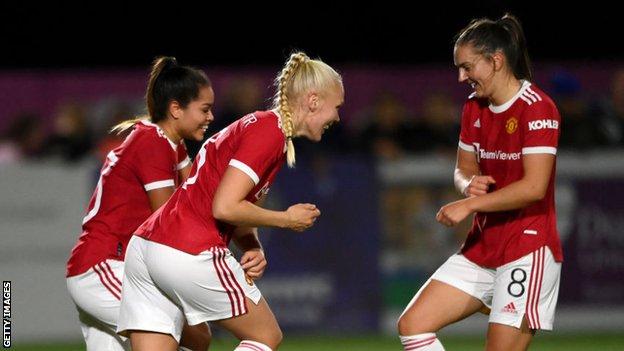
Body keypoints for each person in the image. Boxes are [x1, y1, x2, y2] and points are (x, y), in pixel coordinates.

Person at [115, 51, 343, 351]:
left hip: (146, 248)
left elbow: (225, 202)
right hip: (188, 248)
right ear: (313, 101)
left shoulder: (259, 127)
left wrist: (252, 245)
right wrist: (286, 219)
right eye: (336, 106)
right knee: (265, 337)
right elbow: (224, 207)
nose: (337, 117)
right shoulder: (269, 133)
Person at [398, 14, 563, 351]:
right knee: (413, 325)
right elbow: (463, 169)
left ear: (496, 61)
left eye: (467, 67)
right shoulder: (474, 108)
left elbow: (534, 188)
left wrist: (469, 203)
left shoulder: (537, 109)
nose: (461, 77)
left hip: (527, 248)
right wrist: (466, 184)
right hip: (483, 245)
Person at [66, 56, 215, 351]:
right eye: (205, 109)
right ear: (175, 108)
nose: (211, 117)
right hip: (105, 265)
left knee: (195, 336)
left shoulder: (170, 144)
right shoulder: (153, 143)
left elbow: (200, 196)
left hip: (112, 268)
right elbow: (168, 222)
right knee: (193, 336)